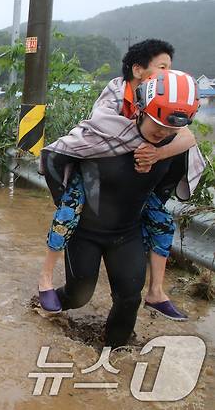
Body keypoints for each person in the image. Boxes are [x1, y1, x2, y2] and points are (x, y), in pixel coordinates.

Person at [37, 40, 199, 320]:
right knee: (68, 211)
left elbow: (187, 136)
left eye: (169, 69)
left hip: (127, 221)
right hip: (94, 201)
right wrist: (140, 139)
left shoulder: (168, 117)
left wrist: (156, 153)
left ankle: (156, 291)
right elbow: (96, 129)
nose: (166, 75)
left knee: (160, 224)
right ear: (138, 70)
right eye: (161, 68)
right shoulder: (115, 97)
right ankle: (45, 279)